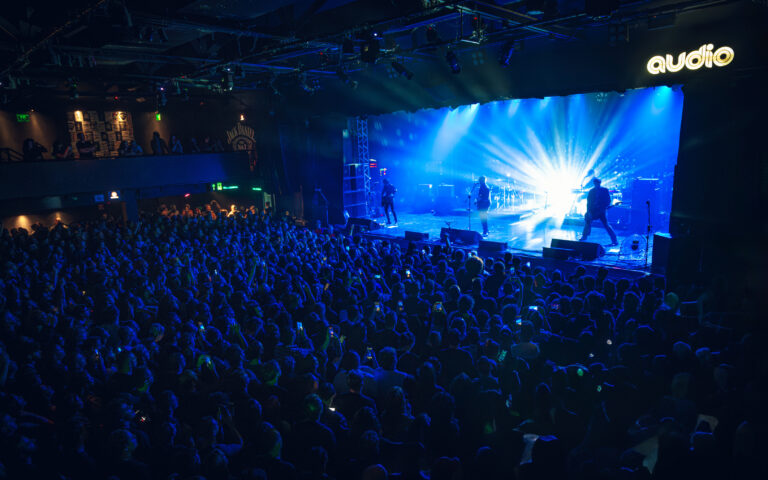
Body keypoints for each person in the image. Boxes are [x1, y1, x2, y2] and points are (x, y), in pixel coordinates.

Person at [580, 177, 618, 246]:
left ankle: (614, 240)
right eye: (595, 183)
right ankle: (584, 236)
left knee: (606, 225)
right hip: (593, 210)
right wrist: (588, 211)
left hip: (601, 211)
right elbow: (588, 202)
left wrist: (603, 207)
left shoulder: (604, 190)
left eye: (597, 183)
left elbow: (608, 200)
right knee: (588, 221)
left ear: (599, 183)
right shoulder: (591, 191)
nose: (596, 185)